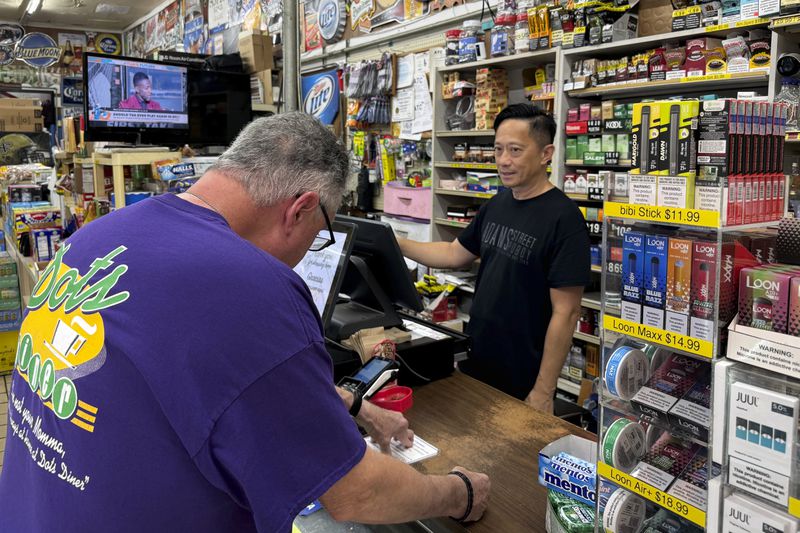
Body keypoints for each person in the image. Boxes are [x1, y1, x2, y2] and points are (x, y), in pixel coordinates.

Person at [0, 113, 490, 531]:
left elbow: (203, 385)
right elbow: (355, 493)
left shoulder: (97, 236)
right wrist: (457, 493)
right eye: (319, 235)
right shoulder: (251, 285)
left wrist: (355, 406)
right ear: (299, 210)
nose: (305, 254)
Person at [399, 104, 590, 413]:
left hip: (523, 377)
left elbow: (565, 314)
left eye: (515, 150)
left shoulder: (564, 219)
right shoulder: (498, 203)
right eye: (498, 149)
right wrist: (397, 244)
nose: (503, 160)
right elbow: (453, 254)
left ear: (546, 153)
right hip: (477, 361)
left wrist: (543, 390)